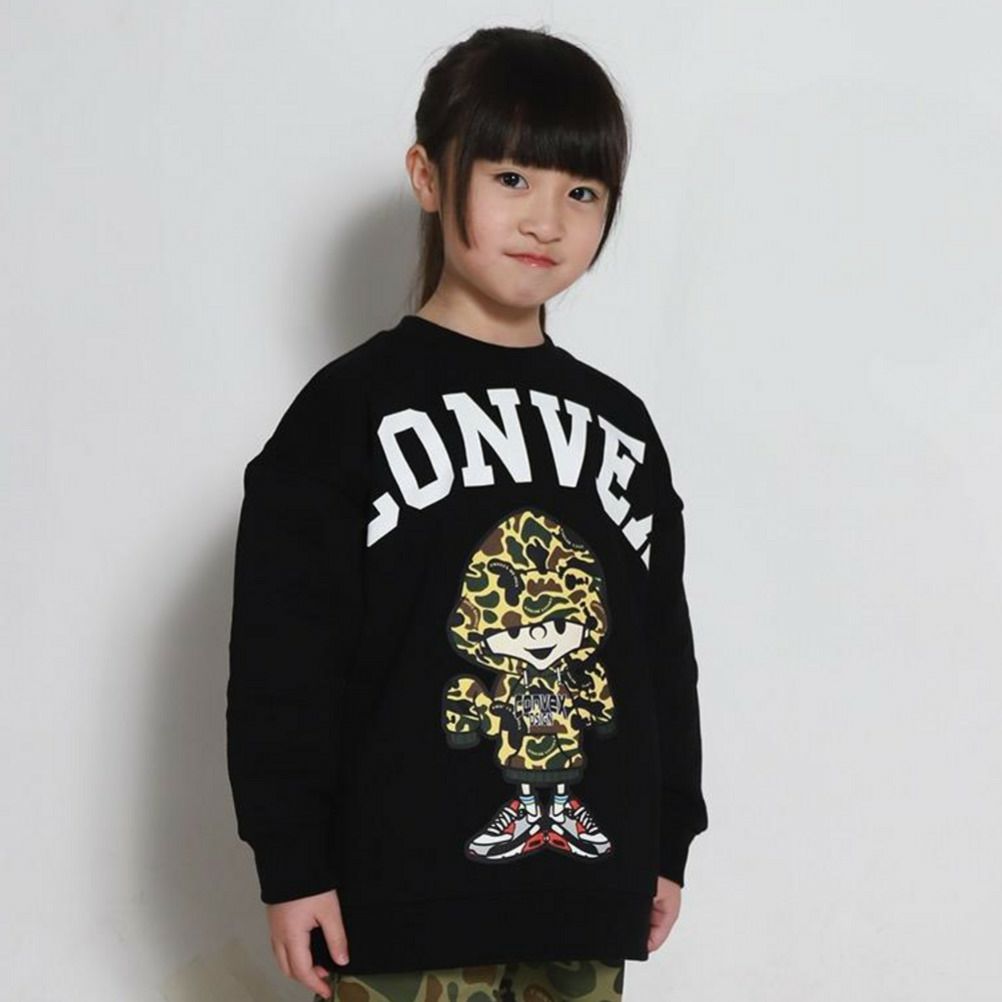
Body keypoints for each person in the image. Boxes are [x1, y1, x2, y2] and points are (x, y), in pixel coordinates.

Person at [226, 24, 709, 1002]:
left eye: (582, 192)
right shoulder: (347, 412)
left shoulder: (621, 426)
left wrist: (668, 839)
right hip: (398, 899)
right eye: (512, 178)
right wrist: (292, 863)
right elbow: (285, 655)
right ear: (429, 176)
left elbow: (660, 652)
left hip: (586, 889)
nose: (546, 221)